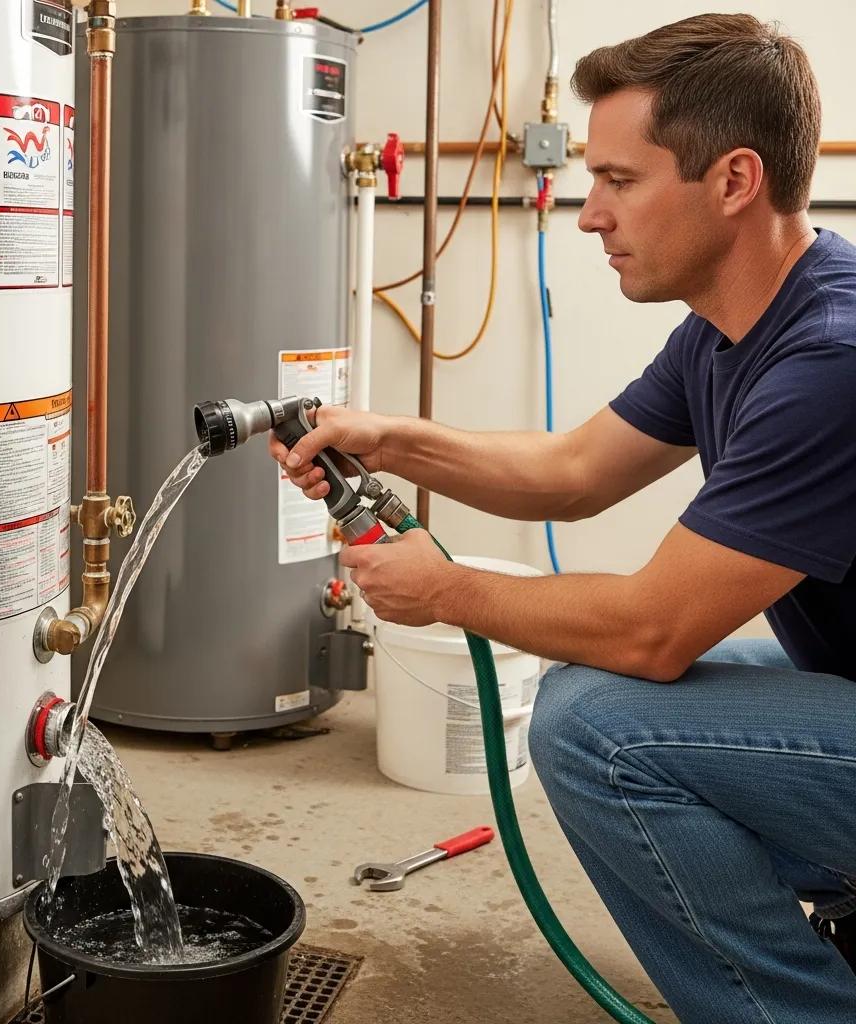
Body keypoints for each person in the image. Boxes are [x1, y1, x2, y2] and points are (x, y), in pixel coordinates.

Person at [269, 13, 856, 1023]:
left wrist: (446, 591)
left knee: (600, 729)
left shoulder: (828, 360)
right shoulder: (727, 329)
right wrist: (387, 437)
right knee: (599, 700)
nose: (590, 216)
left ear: (733, 180)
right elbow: (571, 472)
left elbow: (653, 630)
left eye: (620, 181)